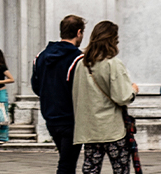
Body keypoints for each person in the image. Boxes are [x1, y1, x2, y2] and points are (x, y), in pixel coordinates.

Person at [70, 21, 138, 174]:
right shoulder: (113, 63)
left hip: (90, 129)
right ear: (112, 40)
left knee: (91, 169)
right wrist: (133, 90)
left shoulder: (82, 64)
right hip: (112, 129)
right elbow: (122, 97)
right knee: (120, 169)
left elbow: (77, 95)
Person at [32, 15, 86, 174]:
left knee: (66, 161)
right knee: (67, 165)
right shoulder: (78, 58)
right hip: (72, 119)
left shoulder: (41, 56)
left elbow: (36, 87)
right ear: (78, 32)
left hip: (50, 117)